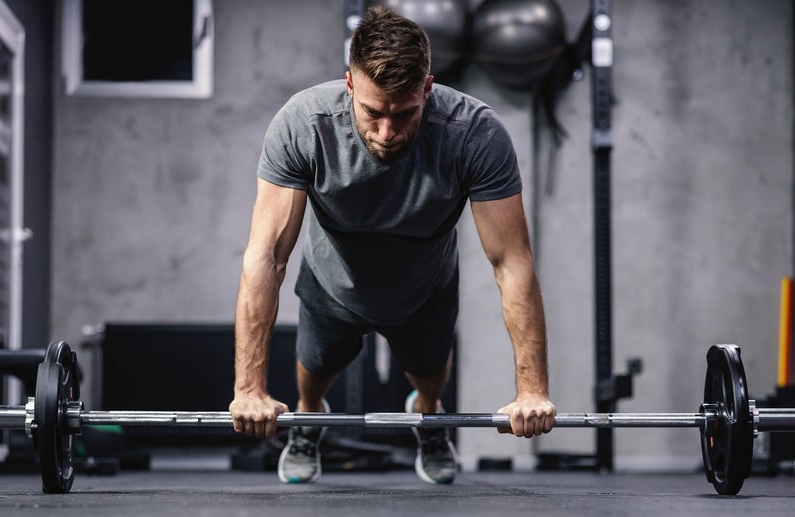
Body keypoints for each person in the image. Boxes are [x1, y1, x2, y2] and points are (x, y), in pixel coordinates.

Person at [230, 6, 556, 485]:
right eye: (372, 112)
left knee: (429, 375)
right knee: (314, 370)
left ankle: (428, 420)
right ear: (349, 84)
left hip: (424, 287)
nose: (387, 132)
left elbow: (511, 262)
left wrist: (532, 390)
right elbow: (267, 255)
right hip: (331, 281)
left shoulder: (474, 134)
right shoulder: (303, 124)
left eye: (404, 114)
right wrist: (249, 389)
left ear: (427, 88)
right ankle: (306, 422)